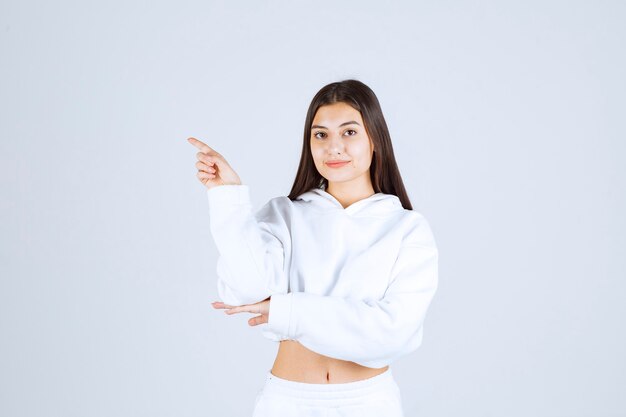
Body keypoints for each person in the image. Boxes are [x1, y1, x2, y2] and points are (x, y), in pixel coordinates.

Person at [187, 79, 439, 417]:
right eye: (320, 135)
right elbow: (247, 291)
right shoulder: (285, 215)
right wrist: (227, 197)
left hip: (368, 403)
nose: (333, 147)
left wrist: (288, 311)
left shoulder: (407, 229)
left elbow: (391, 332)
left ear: (375, 139)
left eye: (349, 132)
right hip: (287, 402)